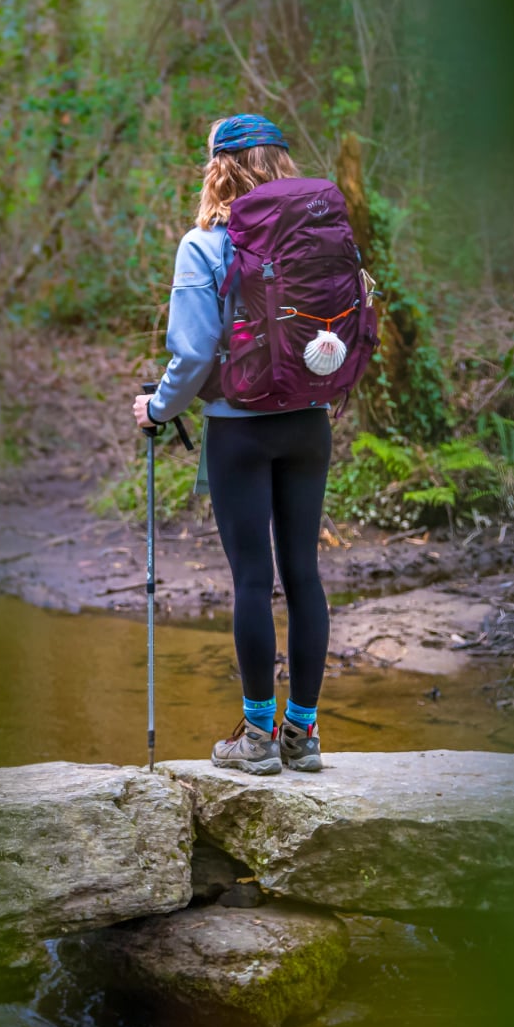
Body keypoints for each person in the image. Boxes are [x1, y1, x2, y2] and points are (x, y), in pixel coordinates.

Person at [130, 114, 330, 776]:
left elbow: (190, 356)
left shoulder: (203, 244)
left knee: (252, 578)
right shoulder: (316, 238)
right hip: (309, 421)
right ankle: (302, 734)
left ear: (218, 167)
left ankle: (256, 738)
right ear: (279, 162)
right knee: (303, 574)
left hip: (239, 428)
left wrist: (157, 408)